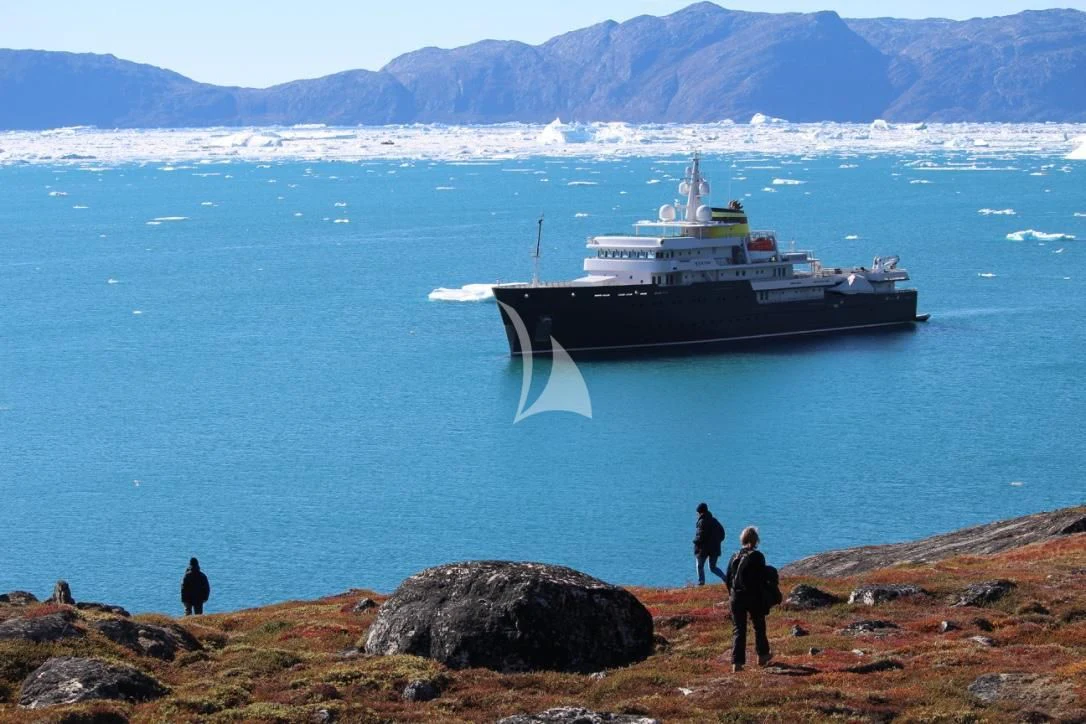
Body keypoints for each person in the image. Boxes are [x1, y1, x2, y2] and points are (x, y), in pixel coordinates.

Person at [725, 527, 771, 672]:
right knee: (759, 626)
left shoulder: (734, 556)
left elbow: (728, 578)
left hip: (736, 597)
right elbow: (762, 578)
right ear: (756, 540)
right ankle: (762, 656)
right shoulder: (758, 557)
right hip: (753, 596)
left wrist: (732, 594)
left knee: (739, 629)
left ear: (742, 539)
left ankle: (737, 664)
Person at [693, 502, 726, 586]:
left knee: (700, 566)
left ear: (700, 512)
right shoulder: (714, 520)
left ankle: (701, 583)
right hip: (715, 548)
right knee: (713, 567)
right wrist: (717, 541)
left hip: (703, 549)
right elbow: (722, 533)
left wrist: (695, 542)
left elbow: (700, 536)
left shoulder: (701, 522)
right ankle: (726, 579)